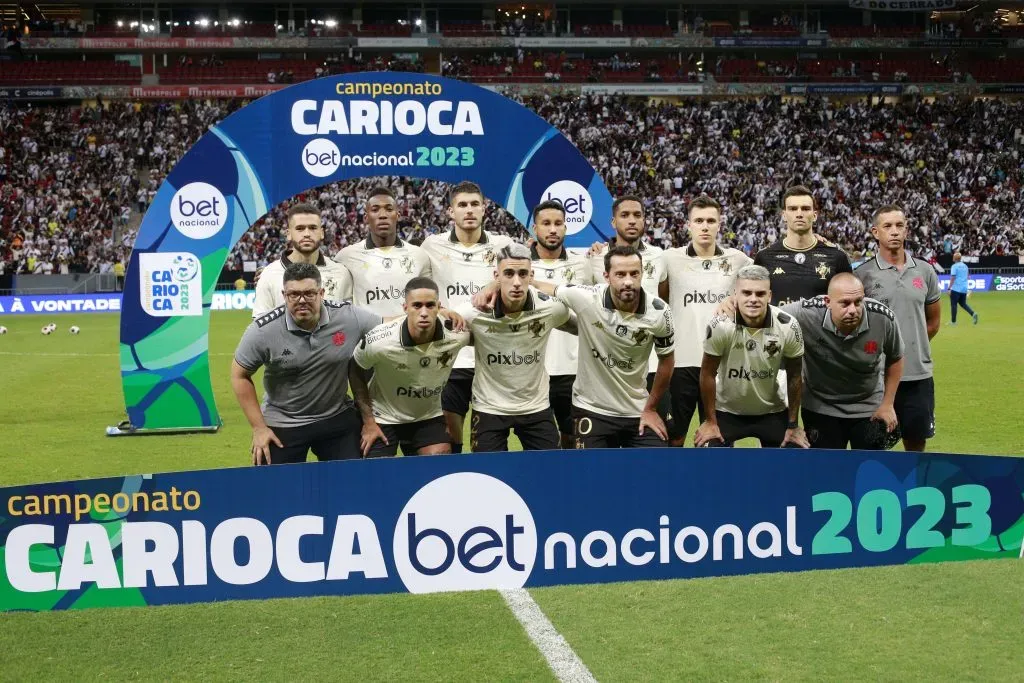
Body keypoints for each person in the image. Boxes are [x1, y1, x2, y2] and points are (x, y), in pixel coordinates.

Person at [231, 262, 383, 465]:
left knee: (354, 479)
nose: (302, 300)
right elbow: (239, 375)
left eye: (309, 293)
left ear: (321, 293)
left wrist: (434, 314)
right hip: (283, 420)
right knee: (273, 487)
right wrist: (259, 428)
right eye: (294, 295)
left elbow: (388, 325)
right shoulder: (262, 330)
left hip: (335, 415)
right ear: (284, 295)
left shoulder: (348, 317)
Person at [537, 246, 675, 449]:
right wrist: (494, 286)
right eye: (620, 274)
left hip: (637, 410)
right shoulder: (587, 298)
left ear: (642, 274)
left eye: (634, 274)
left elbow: (667, 360)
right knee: (591, 477)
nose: (628, 281)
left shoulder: (659, 312)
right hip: (591, 409)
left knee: (653, 471)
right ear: (606, 276)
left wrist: (651, 408)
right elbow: (545, 287)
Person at [421, 181, 514, 453]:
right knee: (450, 432)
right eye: (462, 205)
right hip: (452, 353)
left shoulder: (503, 245)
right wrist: (440, 310)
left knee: (488, 434)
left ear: (484, 209)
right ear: (451, 212)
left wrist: (494, 285)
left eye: (475, 204)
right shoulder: (431, 246)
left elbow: (525, 275)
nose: (469, 210)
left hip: (493, 354)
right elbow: (420, 290)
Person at [460, 244, 575, 452]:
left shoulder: (551, 308)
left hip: (536, 408)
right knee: (487, 476)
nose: (516, 282)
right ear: (496, 276)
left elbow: (584, 327)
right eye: (509, 273)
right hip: (488, 408)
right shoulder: (473, 312)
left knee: (555, 472)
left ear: (531, 275)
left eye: (523, 274)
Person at [662, 195, 752, 445]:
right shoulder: (669, 258)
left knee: (719, 438)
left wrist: (737, 300)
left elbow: (765, 281)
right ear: (688, 224)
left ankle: (715, 483)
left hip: (722, 363)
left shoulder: (738, 260)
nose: (704, 226)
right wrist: (600, 248)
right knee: (674, 437)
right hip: (681, 363)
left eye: (710, 221)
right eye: (698, 220)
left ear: (719, 224)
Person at [781, 273, 905, 450]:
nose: (853, 309)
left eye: (858, 301)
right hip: (820, 407)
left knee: (867, 470)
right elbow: (767, 313)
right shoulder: (806, 313)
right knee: (826, 471)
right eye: (845, 303)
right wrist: (731, 303)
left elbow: (896, 357)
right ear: (827, 302)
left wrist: (887, 404)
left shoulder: (883, 318)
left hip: (868, 407)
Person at [854, 204, 941, 452]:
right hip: (875, 378)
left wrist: (908, 350)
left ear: (906, 231)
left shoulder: (925, 271)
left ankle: (915, 491)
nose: (894, 231)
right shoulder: (863, 275)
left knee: (916, 446)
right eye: (887, 226)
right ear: (875, 232)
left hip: (917, 375)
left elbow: (933, 323)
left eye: (899, 225)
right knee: (873, 447)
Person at [351, 277, 470, 457]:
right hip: (383, 417)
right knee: (376, 472)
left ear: (439, 307)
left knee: (439, 460)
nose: (423, 312)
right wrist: (368, 421)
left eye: (430, 306)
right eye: (417, 305)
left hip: (427, 416)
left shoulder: (457, 335)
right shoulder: (380, 341)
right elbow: (355, 368)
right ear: (405, 308)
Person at [693, 265, 808, 448]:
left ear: (769, 296)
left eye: (760, 294)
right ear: (735, 295)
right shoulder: (720, 325)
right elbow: (707, 373)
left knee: (792, 454)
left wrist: (793, 425)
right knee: (710, 456)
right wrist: (710, 421)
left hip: (772, 411)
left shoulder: (788, 326)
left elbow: (795, 375)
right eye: (746, 293)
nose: (753, 299)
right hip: (727, 411)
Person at [587, 195, 671, 433]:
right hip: (610, 366)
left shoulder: (659, 256)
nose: (632, 221)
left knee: (657, 434)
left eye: (637, 215)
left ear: (645, 220)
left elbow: (663, 299)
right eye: (625, 215)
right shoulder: (596, 257)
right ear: (613, 222)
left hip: (652, 363)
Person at [528, 199, 593, 448]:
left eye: (558, 223)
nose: (552, 229)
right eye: (546, 224)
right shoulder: (522, 267)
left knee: (572, 438)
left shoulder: (582, 265)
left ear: (566, 227)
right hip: (534, 370)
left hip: (573, 368)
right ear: (535, 229)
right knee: (540, 442)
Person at [334, 186, 432, 318]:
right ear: (366, 217)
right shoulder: (345, 257)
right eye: (375, 210)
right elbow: (340, 306)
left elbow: (429, 301)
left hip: (410, 336)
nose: (383, 215)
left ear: (397, 215)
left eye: (389, 209)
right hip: (368, 337)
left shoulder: (419, 255)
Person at [754, 185, 853, 306]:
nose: (799, 214)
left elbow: (849, 303)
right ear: (784, 215)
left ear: (815, 215)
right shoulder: (764, 257)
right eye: (793, 209)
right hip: (780, 325)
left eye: (805, 209)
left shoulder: (837, 257)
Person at [252, 202, 352, 318]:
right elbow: (260, 328)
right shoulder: (269, 275)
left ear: (322, 233)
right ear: (288, 234)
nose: (307, 234)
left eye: (313, 228)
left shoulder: (341, 273)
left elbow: (348, 322)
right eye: (300, 228)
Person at [948, 252, 979, 325]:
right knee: (963, 304)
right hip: (964, 288)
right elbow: (968, 277)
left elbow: (953, 277)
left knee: (954, 304)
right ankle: (973, 313)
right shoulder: (965, 266)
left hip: (956, 288)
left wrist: (949, 288)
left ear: (955, 258)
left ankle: (953, 322)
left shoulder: (954, 266)